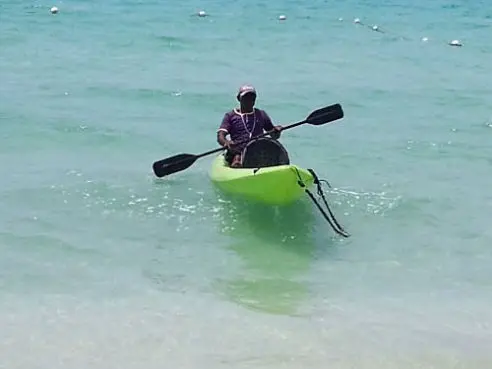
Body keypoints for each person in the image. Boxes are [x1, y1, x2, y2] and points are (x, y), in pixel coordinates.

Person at [217, 85, 283, 168]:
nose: (250, 100)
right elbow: (220, 135)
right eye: (246, 97)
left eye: (252, 97)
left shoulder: (261, 114)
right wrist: (225, 142)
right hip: (238, 150)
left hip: (258, 151)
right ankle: (237, 163)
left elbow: (274, 135)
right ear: (239, 98)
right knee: (237, 156)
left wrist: (276, 130)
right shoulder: (231, 116)